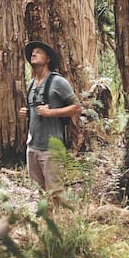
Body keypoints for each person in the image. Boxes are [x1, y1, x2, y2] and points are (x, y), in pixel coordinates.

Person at [18, 41, 81, 199]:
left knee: (55, 194)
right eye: (32, 52)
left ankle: (60, 215)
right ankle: (46, 215)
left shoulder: (58, 82)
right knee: (40, 194)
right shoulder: (32, 84)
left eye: (38, 52)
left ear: (48, 59)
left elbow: (77, 108)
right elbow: (36, 110)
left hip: (51, 149)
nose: (34, 54)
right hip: (32, 148)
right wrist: (27, 113)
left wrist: (51, 112)